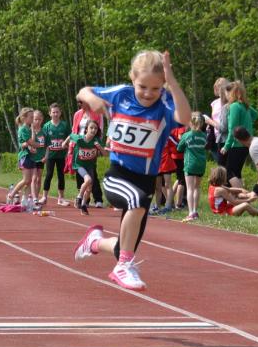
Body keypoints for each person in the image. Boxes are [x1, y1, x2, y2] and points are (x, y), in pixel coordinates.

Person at [73, 50, 190, 291]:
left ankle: (94, 242)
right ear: (132, 78)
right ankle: (123, 267)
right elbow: (83, 91)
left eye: (155, 88)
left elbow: (186, 117)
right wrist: (92, 99)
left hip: (145, 182)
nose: (148, 93)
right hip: (117, 175)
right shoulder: (121, 94)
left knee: (123, 247)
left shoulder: (165, 103)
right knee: (136, 206)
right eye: (142, 86)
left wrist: (172, 82)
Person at [62, 120, 106, 216]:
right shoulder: (79, 139)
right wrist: (64, 144)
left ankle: (83, 205)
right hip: (79, 165)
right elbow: (70, 135)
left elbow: (105, 154)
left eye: (95, 128)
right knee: (88, 180)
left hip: (90, 166)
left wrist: (100, 148)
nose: (93, 130)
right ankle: (79, 197)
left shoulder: (97, 141)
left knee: (89, 188)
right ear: (86, 129)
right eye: (91, 128)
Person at [220, 81, 258, 188]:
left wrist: (226, 146)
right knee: (237, 172)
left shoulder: (234, 106)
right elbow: (256, 115)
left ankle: (241, 194)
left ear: (231, 93)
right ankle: (239, 196)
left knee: (228, 172)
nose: (226, 96)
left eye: (226, 94)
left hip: (236, 144)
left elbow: (232, 128)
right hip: (246, 144)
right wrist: (246, 123)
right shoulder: (244, 105)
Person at [68, 99, 105, 207]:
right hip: (79, 144)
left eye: (84, 102)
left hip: (92, 145)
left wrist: (98, 146)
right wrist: (70, 146)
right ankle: (84, 200)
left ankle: (98, 199)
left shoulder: (98, 113)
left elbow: (100, 129)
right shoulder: (77, 114)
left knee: (92, 172)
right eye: (80, 103)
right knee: (80, 174)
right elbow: (74, 130)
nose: (82, 105)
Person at [178, 112, 208, 222]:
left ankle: (190, 212)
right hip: (201, 163)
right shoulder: (204, 136)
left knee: (189, 188)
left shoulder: (187, 135)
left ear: (191, 122)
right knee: (197, 187)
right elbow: (205, 146)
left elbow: (179, 148)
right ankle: (195, 211)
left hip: (190, 163)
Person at [40, 103, 70, 206]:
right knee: (49, 175)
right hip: (50, 155)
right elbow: (43, 141)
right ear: (50, 113)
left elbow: (70, 138)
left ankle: (61, 198)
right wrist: (44, 154)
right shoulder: (46, 126)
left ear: (60, 113)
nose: (55, 114)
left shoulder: (64, 125)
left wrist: (67, 146)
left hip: (61, 155)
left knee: (61, 175)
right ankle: (44, 197)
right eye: (53, 112)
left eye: (57, 112)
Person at [8, 107, 38, 205]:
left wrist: (32, 130)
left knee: (30, 181)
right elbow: (30, 142)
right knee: (26, 179)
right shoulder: (23, 129)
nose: (33, 119)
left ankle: (24, 199)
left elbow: (31, 141)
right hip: (25, 156)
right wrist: (39, 145)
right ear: (24, 118)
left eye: (33, 117)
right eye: (31, 117)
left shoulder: (28, 128)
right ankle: (11, 195)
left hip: (30, 155)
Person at [205, 77, 231, 164]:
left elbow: (224, 126)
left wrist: (209, 121)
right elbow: (214, 118)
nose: (219, 90)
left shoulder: (231, 103)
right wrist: (209, 125)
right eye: (217, 87)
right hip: (215, 137)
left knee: (225, 166)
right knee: (220, 165)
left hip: (225, 138)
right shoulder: (214, 103)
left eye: (221, 87)